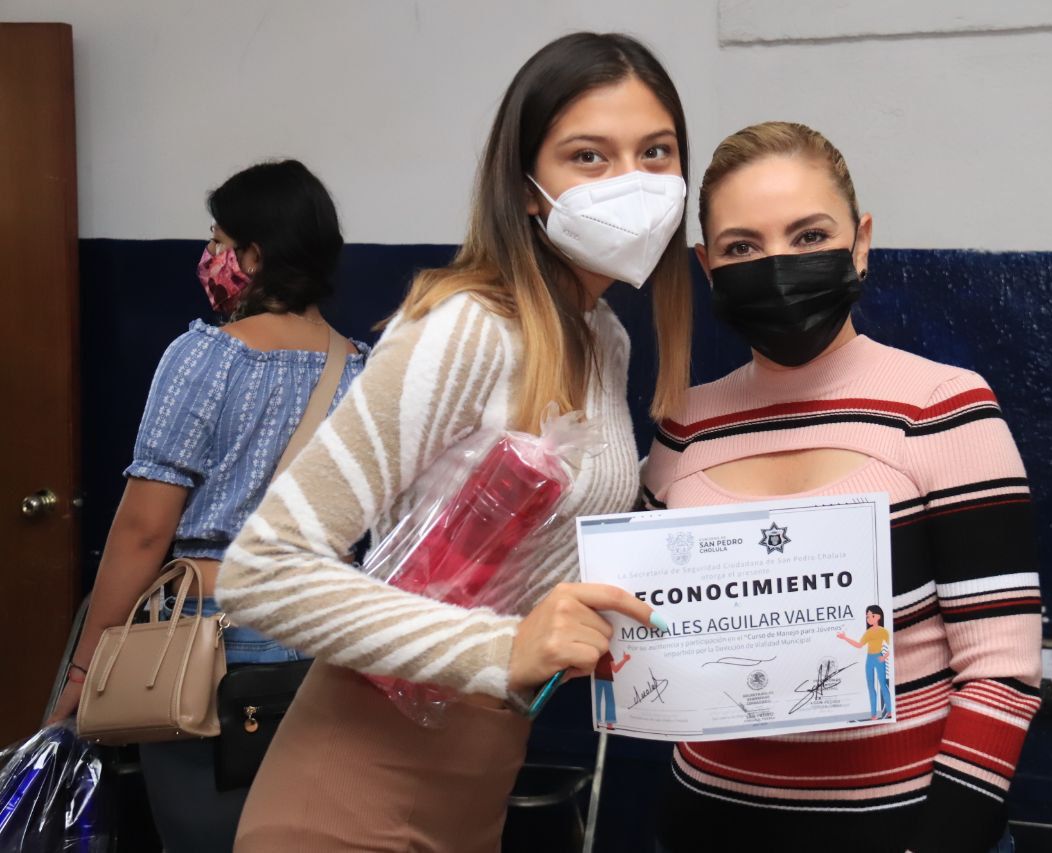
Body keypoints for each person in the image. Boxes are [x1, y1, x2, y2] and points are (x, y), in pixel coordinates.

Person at [215, 32, 691, 851]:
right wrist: (505, 646)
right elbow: (262, 572)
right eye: (589, 155)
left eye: (656, 152)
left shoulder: (602, 336)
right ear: (531, 189)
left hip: (479, 778)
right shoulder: (469, 326)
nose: (632, 183)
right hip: (352, 786)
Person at [642, 122, 1041, 853]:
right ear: (707, 266)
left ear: (859, 242)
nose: (778, 265)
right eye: (742, 248)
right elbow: (640, 635)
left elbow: (1002, 672)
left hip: (906, 833)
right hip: (705, 824)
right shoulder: (681, 425)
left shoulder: (945, 408)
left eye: (808, 235)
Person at [46, 159, 368, 852]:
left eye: (220, 241)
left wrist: (84, 666)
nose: (212, 257)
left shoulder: (205, 358)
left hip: (207, 641)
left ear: (255, 255)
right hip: (327, 640)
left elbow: (141, 530)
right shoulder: (364, 372)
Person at [837, 604, 892, 718]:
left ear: (878, 617)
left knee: (883, 685)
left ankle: (890, 710)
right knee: (871, 687)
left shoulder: (884, 631)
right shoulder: (868, 632)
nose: (869, 618)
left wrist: (884, 656)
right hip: (870, 659)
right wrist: (845, 638)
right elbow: (859, 645)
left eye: (871, 615)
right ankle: (873, 714)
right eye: (867, 616)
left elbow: (890, 648)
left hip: (879, 658)